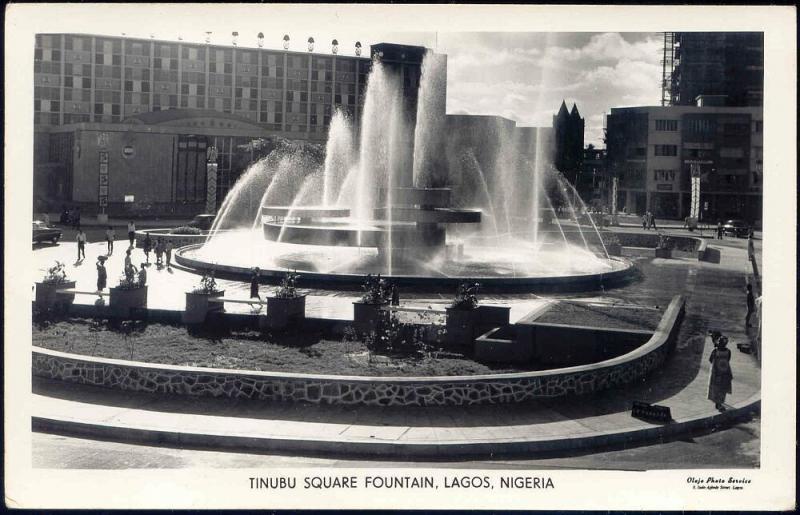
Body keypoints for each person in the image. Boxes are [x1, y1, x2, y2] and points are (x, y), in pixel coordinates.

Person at [708, 335, 733, 410]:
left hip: (716, 371)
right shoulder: (728, 351)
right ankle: (719, 403)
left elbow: (710, 360)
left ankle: (718, 403)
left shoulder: (715, 351)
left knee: (717, 387)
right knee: (723, 387)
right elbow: (728, 360)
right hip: (725, 370)